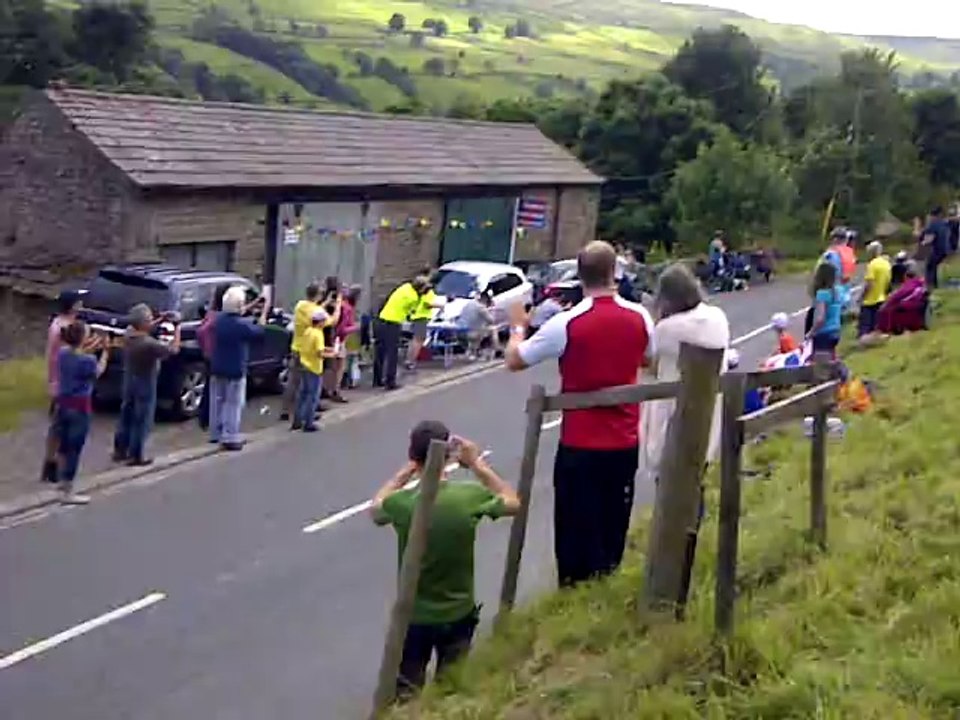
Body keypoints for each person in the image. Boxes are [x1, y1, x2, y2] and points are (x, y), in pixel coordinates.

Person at [504, 240, 654, 588]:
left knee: (575, 532)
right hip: (625, 439)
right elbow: (647, 358)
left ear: (579, 276)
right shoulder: (640, 316)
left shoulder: (567, 323)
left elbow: (515, 360)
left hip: (581, 443)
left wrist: (516, 327)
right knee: (612, 525)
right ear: (615, 273)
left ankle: (574, 594)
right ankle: (607, 590)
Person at [370, 421, 520, 697]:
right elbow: (512, 501)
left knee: (407, 689)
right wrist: (476, 464)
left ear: (414, 457)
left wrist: (404, 473)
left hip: (415, 615)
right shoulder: (469, 497)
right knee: (451, 688)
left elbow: (376, 508)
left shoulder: (403, 504)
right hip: (458, 611)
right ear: (450, 456)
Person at [638, 264, 730, 528]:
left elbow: (650, 362)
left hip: (673, 413)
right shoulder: (717, 317)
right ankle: (691, 536)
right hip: (708, 409)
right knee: (695, 479)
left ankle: (673, 548)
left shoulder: (667, 329)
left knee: (670, 488)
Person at [113, 304, 180, 466]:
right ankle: (137, 454)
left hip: (130, 378)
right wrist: (177, 328)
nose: (152, 322)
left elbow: (143, 326)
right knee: (142, 418)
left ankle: (120, 449)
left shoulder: (129, 334)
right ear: (143, 323)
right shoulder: (148, 344)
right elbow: (173, 350)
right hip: (145, 380)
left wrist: (160, 320)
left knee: (127, 414)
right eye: (149, 319)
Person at [54, 321, 109, 504]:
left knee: (63, 444)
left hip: (62, 404)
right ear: (82, 338)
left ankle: (61, 480)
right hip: (79, 407)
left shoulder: (63, 353)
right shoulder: (88, 361)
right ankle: (68, 490)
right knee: (74, 448)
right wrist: (105, 352)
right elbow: (98, 371)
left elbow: (79, 350)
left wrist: (93, 343)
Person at [208, 286, 266, 451]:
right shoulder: (242, 326)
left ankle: (215, 433)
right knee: (233, 403)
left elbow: (235, 312)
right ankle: (230, 436)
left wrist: (250, 305)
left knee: (217, 401)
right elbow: (259, 332)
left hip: (218, 365)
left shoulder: (218, 320)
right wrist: (262, 314)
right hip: (235, 368)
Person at [41, 289, 84, 484]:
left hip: (60, 381)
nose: (82, 304)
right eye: (79, 301)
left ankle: (50, 464)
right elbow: (55, 356)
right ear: (72, 305)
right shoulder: (65, 328)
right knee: (63, 428)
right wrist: (53, 381)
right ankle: (55, 466)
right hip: (65, 383)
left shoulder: (58, 323)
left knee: (56, 427)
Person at [375, 276, 428, 391]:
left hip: (381, 319)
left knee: (380, 351)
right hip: (393, 323)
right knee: (392, 352)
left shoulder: (405, 287)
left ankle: (377, 379)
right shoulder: (413, 298)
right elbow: (412, 312)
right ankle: (390, 382)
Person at [280, 282, 323, 423]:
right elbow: (327, 320)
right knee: (308, 386)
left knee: (294, 382)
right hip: (308, 350)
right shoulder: (314, 311)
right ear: (317, 295)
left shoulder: (300, 306)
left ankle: (287, 411)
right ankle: (307, 413)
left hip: (296, 346)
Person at [293, 309, 329, 433]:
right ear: (320, 322)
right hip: (314, 367)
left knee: (302, 393)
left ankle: (297, 420)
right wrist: (333, 354)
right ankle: (309, 422)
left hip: (304, 364)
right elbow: (320, 353)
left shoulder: (307, 331)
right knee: (313, 396)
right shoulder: (318, 334)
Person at [406, 268, 444, 371]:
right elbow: (427, 304)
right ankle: (411, 362)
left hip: (417, 316)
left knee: (415, 339)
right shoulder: (427, 289)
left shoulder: (421, 288)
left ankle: (409, 360)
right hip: (421, 317)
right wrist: (440, 306)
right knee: (418, 340)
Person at [877, 261, 928, 335]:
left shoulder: (908, 286)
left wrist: (885, 304)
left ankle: (886, 330)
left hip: (908, 309)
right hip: (917, 306)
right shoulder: (920, 283)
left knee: (885, 310)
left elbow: (896, 297)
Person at [806, 261, 843, 356]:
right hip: (835, 329)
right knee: (831, 357)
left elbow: (820, 318)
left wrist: (811, 332)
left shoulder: (822, 294)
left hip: (824, 332)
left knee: (821, 364)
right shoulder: (838, 292)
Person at [858, 241, 892, 338]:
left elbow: (869, 284)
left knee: (865, 326)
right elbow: (888, 282)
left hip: (870, 300)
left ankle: (863, 342)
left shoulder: (872, 265)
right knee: (876, 325)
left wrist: (862, 296)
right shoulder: (886, 264)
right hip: (881, 297)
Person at [460, 290, 500, 360]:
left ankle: (472, 352)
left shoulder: (469, 303)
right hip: (473, 332)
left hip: (461, 331)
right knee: (493, 329)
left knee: (480, 329)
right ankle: (496, 350)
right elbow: (491, 320)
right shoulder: (481, 308)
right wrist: (491, 310)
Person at [921, 206, 950, 289]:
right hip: (945, 250)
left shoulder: (932, 225)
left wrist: (923, 242)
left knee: (930, 267)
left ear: (933, 216)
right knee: (934, 266)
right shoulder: (944, 224)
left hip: (937, 250)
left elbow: (929, 239)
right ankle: (935, 284)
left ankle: (930, 285)